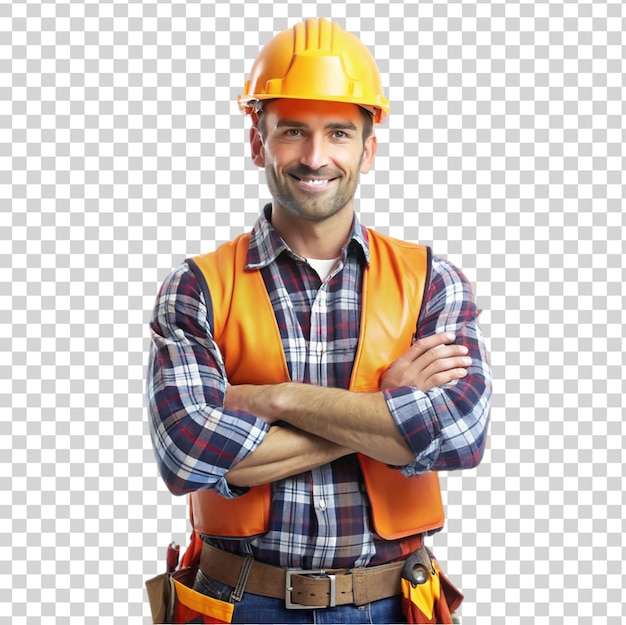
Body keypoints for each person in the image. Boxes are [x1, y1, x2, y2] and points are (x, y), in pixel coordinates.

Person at [147, 17, 491, 625]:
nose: (315, 157)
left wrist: (274, 399)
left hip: (392, 603)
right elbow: (189, 454)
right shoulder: (197, 287)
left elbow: (460, 435)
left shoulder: (430, 280)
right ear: (258, 142)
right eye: (292, 132)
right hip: (237, 604)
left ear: (368, 147)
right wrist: (386, 411)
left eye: (338, 133)